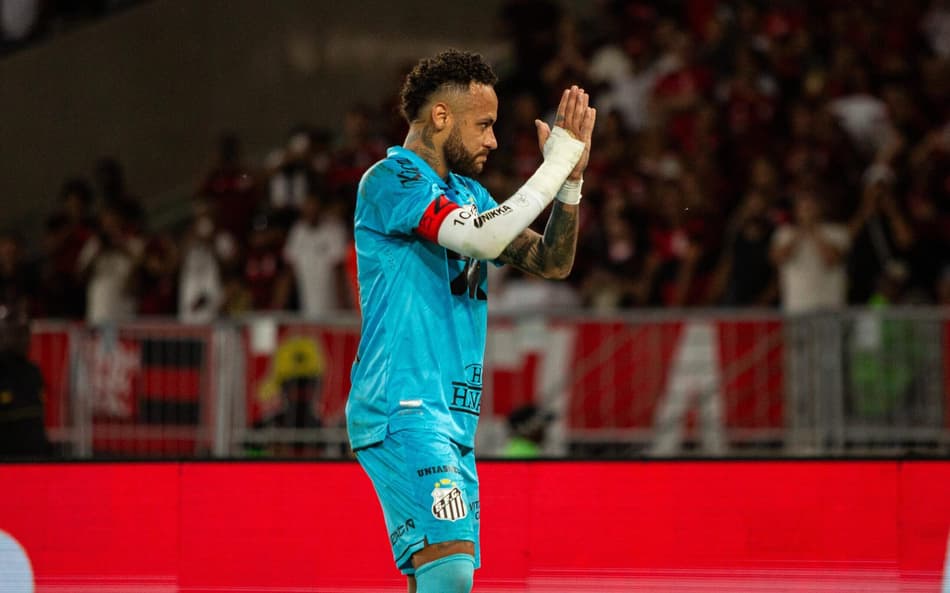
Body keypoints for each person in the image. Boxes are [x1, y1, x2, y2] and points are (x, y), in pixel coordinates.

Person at [345, 49, 595, 593]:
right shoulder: (390, 180)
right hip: (402, 406)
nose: (494, 140)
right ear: (441, 116)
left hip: (451, 419)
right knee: (452, 568)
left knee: (435, 574)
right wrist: (551, 166)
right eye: (484, 124)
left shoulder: (468, 194)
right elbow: (480, 239)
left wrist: (569, 184)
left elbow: (552, 262)